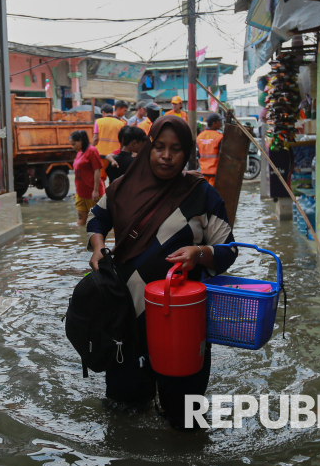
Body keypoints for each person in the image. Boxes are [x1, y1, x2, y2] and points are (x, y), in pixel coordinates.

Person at [86, 115, 238, 429]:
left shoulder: (201, 194)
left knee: (184, 417)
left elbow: (229, 250)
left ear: (187, 154)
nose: (166, 156)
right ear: (148, 149)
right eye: (159, 147)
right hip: (126, 321)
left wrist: (199, 253)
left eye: (176, 149)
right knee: (124, 415)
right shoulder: (121, 188)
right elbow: (96, 217)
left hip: (182, 324)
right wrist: (98, 246)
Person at [70, 130, 104, 226]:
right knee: (81, 217)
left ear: (80, 140)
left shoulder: (92, 150)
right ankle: (81, 239)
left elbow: (97, 170)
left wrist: (96, 190)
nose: (73, 147)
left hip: (92, 191)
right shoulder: (79, 152)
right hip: (80, 192)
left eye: (74, 144)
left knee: (96, 219)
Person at [93, 103, 124, 182]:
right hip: (115, 156)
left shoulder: (98, 122)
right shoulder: (121, 123)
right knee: (114, 178)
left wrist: (90, 149)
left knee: (100, 179)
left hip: (101, 155)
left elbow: (95, 138)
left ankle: (102, 193)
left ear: (103, 112)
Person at [196, 113, 224, 187]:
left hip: (203, 172)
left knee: (204, 193)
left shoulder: (200, 136)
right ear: (214, 123)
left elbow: (198, 154)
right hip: (214, 173)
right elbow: (223, 156)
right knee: (212, 194)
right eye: (219, 121)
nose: (220, 123)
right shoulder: (219, 137)